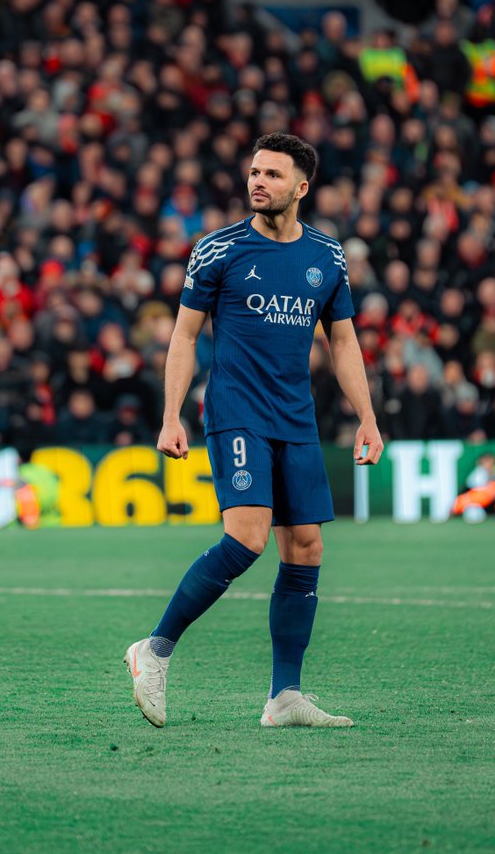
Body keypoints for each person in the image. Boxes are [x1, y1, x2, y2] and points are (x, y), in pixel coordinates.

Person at [124, 133, 383, 729]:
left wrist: (367, 416)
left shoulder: (327, 255)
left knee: (307, 547)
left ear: (302, 186)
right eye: (254, 171)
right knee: (247, 538)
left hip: (295, 416)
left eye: (271, 173)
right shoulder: (218, 250)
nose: (258, 181)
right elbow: (185, 337)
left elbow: (342, 342)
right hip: (236, 409)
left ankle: (284, 696)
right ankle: (154, 651)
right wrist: (171, 414)